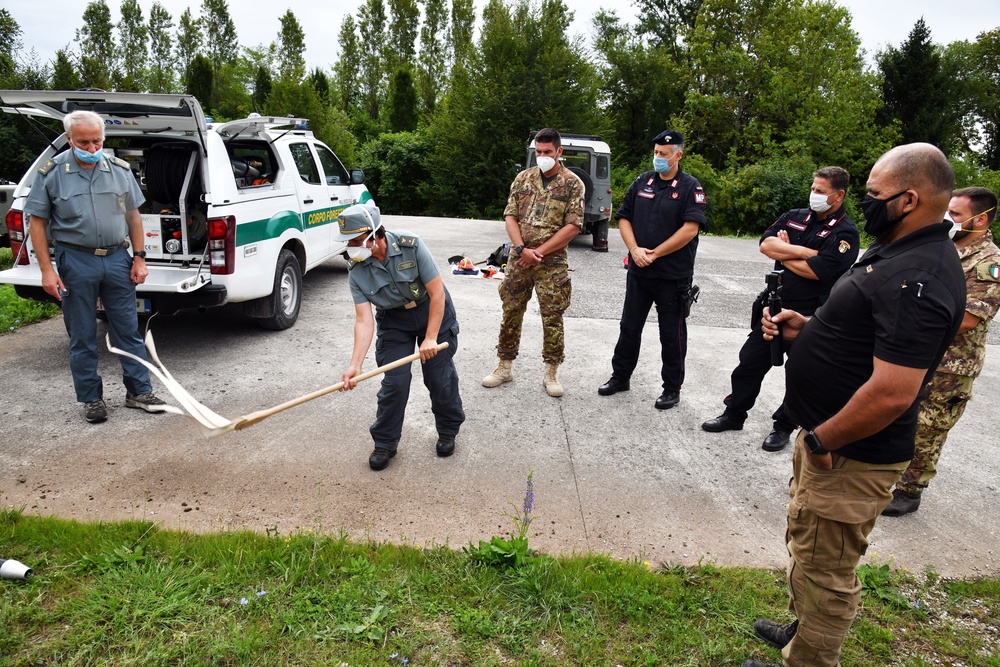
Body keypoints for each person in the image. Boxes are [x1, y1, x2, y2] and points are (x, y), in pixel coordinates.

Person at [742, 143, 966, 667]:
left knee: (828, 571)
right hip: (829, 440)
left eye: (872, 194)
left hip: (848, 452)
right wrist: (808, 330)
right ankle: (802, 629)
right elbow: (862, 336)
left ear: (908, 200)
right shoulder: (897, 251)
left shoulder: (920, 277)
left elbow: (892, 391)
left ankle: (810, 660)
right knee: (810, 543)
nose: (863, 203)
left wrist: (822, 440)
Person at [702, 167, 859, 450]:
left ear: (839, 195)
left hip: (812, 315)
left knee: (800, 376)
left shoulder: (846, 232)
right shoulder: (794, 216)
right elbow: (766, 245)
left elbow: (818, 272)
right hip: (774, 308)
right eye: (813, 188)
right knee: (748, 364)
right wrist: (804, 252)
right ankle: (734, 414)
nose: (814, 194)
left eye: (820, 191)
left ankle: (784, 427)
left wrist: (785, 253)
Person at [24, 110, 165, 424]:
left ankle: (139, 392)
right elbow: (37, 223)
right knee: (83, 335)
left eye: (96, 141)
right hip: (76, 260)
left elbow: (133, 217)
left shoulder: (119, 170)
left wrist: (140, 257)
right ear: (70, 140)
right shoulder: (52, 173)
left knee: (128, 330)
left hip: (118, 259)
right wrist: (47, 270)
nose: (91, 147)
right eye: (83, 141)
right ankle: (91, 399)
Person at [882, 186, 1000, 516]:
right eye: (948, 211)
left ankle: (909, 490)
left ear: (982, 219)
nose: (949, 218)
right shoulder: (938, 246)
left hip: (951, 365)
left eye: (957, 214)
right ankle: (883, 476)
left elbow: (968, 318)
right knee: (895, 416)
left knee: (928, 429)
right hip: (911, 351)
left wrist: (907, 315)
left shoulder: (989, 263)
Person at [336, 201, 465, 471]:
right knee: (395, 382)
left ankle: (448, 429)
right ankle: (385, 443)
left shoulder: (411, 245)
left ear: (374, 235)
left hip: (432, 312)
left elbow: (438, 293)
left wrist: (430, 338)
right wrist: (355, 364)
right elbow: (363, 321)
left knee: (438, 376)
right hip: (394, 321)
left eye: (357, 241)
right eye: (348, 242)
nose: (351, 248)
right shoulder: (356, 271)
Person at [597, 129, 706, 409]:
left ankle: (671, 389)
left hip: (672, 276)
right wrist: (634, 251)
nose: (658, 158)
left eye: (664, 154)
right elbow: (623, 218)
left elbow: (690, 229)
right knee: (629, 328)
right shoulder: (642, 181)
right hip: (640, 272)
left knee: (671, 334)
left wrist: (655, 253)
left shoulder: (690, 187)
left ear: (678, 155)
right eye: (656, 153)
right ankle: (620, 377)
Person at [481, 128, 585, 397]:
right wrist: (521, 248)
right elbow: (510, 216)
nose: (542, 156)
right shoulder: (523, 179)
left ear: (559, 152)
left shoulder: (573, 183)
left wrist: (538, 252)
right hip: (519, 258)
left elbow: (573, 226)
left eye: (547, 152)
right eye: (538, 152)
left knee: (552, 315)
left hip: (552, 262)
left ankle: (551, 372)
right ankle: (504, 366)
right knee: (511, 311)